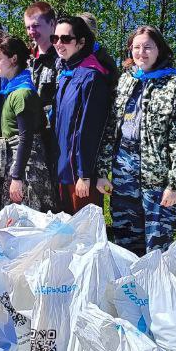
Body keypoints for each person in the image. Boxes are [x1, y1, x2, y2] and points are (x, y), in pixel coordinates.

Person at [96, 26, 176, 256]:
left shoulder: (173, 85)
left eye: (147, 47)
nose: (141, 52)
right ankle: (129, 290)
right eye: (136, 47)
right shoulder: (125, 81)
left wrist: (174, 184)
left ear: (159, 50)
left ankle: (156, 289)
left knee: (156, 248)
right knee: (125, 244)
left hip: (157, 176)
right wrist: (102, 172)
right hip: (123, 173)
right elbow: (111, 129)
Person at [0, 35, 57, 211]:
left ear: (14, 59)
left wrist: (17, 177)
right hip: (20, 165)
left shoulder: (22, 94)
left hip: (27, 171)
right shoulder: (13, 90)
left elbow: (26, 138)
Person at [52, 15, 113, 214]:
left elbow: (90, 128)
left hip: (80, 175)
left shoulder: (91, 77)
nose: (59, 44)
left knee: (85, 237)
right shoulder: (66, 74)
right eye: (55, 38)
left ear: (81, 42)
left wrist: (84, 174)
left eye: (66, 39)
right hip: (62, 170)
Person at [24, 1, 60, 122]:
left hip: (51, 134)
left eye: (35, 26)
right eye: (28, 27)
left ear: (52, 24)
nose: (31, 32)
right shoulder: (25, 59)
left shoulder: (62, 59)